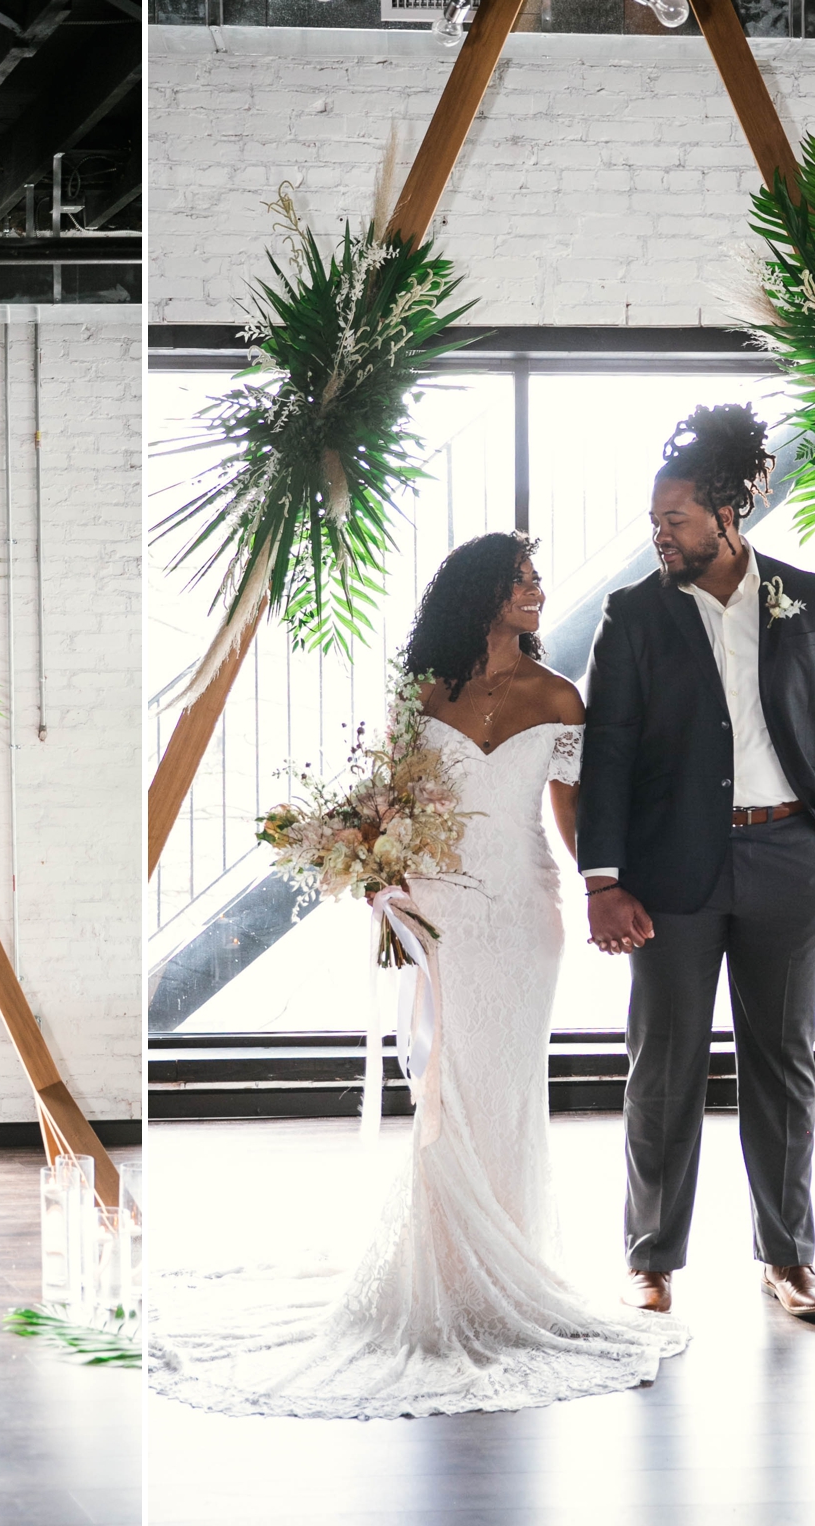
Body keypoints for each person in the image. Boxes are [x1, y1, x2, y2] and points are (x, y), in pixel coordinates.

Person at [150, 533, 686, 1419]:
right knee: (445, 1088)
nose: (539, 591)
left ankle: (502, 1276)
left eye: (538, 578)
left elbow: (573, 817)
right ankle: (443, 1273)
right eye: (521, 579)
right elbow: (395, 803)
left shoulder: (560, 696)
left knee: (504, 1091)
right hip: (433, 914)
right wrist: (375, 866)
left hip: (520, 916)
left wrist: (610, 889)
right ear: (479, 592)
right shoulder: (422, 695)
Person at [579, 403, 815, 1326]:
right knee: (662, 1065)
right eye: (653, 522)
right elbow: (610, 757)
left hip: (791, 860)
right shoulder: (631, 615)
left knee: (784, 1064)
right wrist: (604, 879)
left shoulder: (811, 600)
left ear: (726, 516)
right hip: (671, 875)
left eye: (674, 520)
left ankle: (790, 1259)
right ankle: (651, 1257)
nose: (659, 535)